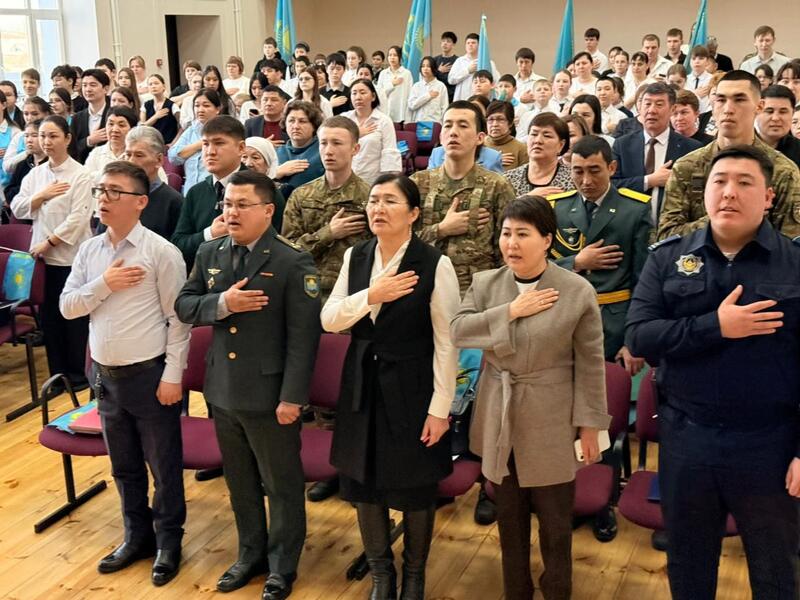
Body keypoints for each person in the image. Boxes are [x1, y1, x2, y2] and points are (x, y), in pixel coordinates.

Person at [626, 144, 800, 600]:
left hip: (769, 444)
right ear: (705, 192)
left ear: (768, 198)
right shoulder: (667, 257)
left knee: (775, 569)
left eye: (744, 183)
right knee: (688, 565)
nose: (729, 192)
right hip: (688, 439)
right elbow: (640, 337)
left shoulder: (795, 262)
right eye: (719, 182)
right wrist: (715, 327)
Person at [450, 195, 610, 600]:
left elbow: (590, 364)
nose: (512, 243)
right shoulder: (486, 284)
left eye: (523, 234)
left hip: (551, 416)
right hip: (499, 412)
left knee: (556, 523)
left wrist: (590, 426)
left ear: (547, 240)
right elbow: (458, 331)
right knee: (509, 518)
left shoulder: (576, 290)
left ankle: (557, 590)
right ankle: (515, 591)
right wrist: (510, 311)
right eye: (506, 234)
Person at [175, 170, 320, 600]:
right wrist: (223, 303)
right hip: (223, 389)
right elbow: (184, 305)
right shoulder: (210, 251)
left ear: (268, 210)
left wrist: (292, 397)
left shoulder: (292, 260)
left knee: (281, 485)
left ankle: (282, 565)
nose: (231, 212)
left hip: (270, 394)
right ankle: (250, 555)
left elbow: (304, 339)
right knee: (239, 482)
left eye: (242, 205)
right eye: (227, 204)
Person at [321, 173, 459, 600]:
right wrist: (371, 295)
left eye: (390, 201)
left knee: (416, 484)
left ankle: (414, 574)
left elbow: (447, 341)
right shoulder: (357, 255)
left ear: (414, 213)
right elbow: (329, 319)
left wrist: (440, 408)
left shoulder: (434, 262)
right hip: (362, 380)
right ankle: (382, 573)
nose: (378, 208)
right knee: (362, 481)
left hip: (413, 383)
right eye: (373, 200)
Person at [59, 161, 190, 586]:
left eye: (114, 191)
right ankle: (137, 536)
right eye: (100, 190)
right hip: (104, 375)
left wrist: (173, 376)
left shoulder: (161, 252)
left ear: (140, 202)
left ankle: (168, 541)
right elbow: (67, 307)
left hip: (150, 376)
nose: (103, 198)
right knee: (123, 465)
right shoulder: (89, 251)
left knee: (163, 466)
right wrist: (104, 284)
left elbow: (179, 320)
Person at [548, 135, 651, 375]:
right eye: (578, 172)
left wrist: (633, 339)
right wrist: (576, 262)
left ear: (611, 168)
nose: (586, 181)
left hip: (613, 324)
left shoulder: (634, 209)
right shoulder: (557, 208)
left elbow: (644, 281)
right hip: (564, 320)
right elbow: (538, 267)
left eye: (594, 171)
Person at [659, 70, 800, 241]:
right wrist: (721, 217)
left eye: (739, 100)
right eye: (721, 100)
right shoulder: (687, 167)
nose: (728, 109)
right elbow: (666, 238)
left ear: (759, 106)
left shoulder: (783, 171)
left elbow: (792, 245)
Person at [10, 115, 93, 390]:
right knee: (50, 319)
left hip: (70, 257)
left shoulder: (81, 174)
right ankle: (58, 375)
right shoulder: (36, 175)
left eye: (53, 136)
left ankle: (78, 375)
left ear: (67, 139)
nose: (46, 141)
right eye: (42, 136)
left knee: (73, 318)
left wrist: (49, 242)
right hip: (42, 261)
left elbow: (78, 219)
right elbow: (18, 207)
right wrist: (42, 195)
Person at [411, 101, 517, 294]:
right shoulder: (417, 183)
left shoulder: (497, 186)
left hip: (476, 292)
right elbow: (399, 242)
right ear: (441, 136)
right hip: (423, 286)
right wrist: (441, 230)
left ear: (480, 138)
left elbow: (506, 248)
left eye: (463, 125)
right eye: (448, 125)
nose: (453, 132)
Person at [281, 115, 371, 303]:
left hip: (351, 293)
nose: (328, 151)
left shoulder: (369, 197)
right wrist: (328, 233)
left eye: (337, 143)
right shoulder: (301, 195)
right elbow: (287, 251)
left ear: (355, 149)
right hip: (304, 290)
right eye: (323, 143)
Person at [612, 83, 702, 225]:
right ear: (639, 108)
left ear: (672, 109)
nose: (652, 110)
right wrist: (649, 181)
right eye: (647, 104)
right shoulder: (622, 145)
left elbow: (698, 195)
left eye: (659, 104)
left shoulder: (691, 148)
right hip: (629, 227)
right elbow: (612, 186)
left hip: (674, 229)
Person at [172, 115, 246, 271]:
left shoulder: (262, 190)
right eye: (205, 144)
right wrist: (209, 234)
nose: (210, 152)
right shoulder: (196, 192)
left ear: (241, 148)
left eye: (219, 143)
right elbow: (178, 245)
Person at [123, 126, 183, 239]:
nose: (131, 161)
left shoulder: (174, 202)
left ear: (159, 160)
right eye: (128, 155)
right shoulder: (116, 195)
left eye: (139, 155)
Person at [343, 78, 401, 185]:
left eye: (363, 92)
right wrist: (356, 133)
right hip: (345, 179)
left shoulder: (383, 121)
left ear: (373, 96)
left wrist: (388, 183)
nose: (358, 97)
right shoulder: (344, 119)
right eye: (354, 93)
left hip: (372, 180)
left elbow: (390, 152)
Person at [505, 112, 573, 198]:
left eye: (547, 136)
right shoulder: (508, 179)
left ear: (561, 145)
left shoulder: (572, 179)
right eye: (534, 134)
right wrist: (527, 198)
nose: (538, 141)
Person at [168, 88, 222, 195]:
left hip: (213, 192)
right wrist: (200, 144)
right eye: (197, 106)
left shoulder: (225, 130)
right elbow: (173, 157)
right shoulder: (191, 130)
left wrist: (187, 151)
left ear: (218, 109)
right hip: (190, 191)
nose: (200, 110)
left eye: (206, 105)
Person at [274, 100, 324, 198]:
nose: (296, 126)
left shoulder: (323, 150)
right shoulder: (276, 153)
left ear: (314, 125)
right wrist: (276, 173)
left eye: (302, 121)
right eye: (291, 121)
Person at [3, 95, 50, 178]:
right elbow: (6, 167)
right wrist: (27, 152)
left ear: (46, 114)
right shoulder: (19, 136)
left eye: (35, 114)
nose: (29, 118)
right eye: (26, 114)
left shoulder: (51, 136)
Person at [85, 106, 138, 180]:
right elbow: (86, 180)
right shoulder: (96, 153)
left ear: (132, 129)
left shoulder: (136, 155)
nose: (115, 129)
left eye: (121, 125)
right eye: (111, 124)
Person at [70, 68, 111, 163]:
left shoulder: (114, 114)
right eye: (84, 85)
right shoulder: (77, 118)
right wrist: (88, 141)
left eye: (93, 85)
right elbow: (71, 149)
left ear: (105, 89)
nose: (88, 89)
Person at [5, 118, 46, 207]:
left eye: (34, 135)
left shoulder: (52, 163)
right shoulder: (23, 164)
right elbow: (9, 194)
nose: (29, 140)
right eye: (26, 136)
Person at [756, 84, 800, 168]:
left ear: (793, 113)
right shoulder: (742, 146)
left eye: (783, 112)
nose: (775, 118)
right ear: (757, 111)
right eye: (769, 111)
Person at [449, 33, 499, 102]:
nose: (470, 45)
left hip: (483, 100)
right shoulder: (459, 61)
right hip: (463, 100)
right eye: (468, 43)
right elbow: (451, 80)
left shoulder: (488, 62)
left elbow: (496, 82)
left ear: (479, 45)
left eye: (473, 43)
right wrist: (467, 71)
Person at [484, 100, 527, 171]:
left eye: (500, 119)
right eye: (490, 120)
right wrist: (492, 160)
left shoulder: (521, 149)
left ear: (510, 123)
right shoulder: (478, 145)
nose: (494, 124)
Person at [377, 45, 413, 123]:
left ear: (400, 57)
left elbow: (410, 95)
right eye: (390, 55)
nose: (392, 57)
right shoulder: (383, 73)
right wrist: (392, 84)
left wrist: (408, 117)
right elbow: (379, 94)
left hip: (401, 114)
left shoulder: (406, 73)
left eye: (395, 55)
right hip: (386, 112)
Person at [141, 74, 180, 145]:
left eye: (156, 83)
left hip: (168, 144)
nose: (153, 86)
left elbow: (182, 126)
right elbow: (141, 127)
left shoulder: (172, 105)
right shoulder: (145, 105)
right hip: (150, 144)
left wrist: (173, 143)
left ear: (163, 86)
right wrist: (155, 117)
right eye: (150, 84)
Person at [408, 56, 448, 123]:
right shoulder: (416, 86)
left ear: (434, 68)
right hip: (419, 122)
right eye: (423, 66)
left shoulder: (441, 86)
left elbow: (444, 108)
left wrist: (442, 124)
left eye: (428, 66)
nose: (425, 69)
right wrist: (428, 96)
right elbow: (412, 105)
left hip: (436, 123)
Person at [435, 31, 458, 102]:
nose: (445, 43)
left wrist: (439, 74)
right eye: (443, 41)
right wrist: (438, 71)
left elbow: (455, 80)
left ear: (453, 44)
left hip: (452, 96)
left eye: (448, 41)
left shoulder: (458, 61)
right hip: (437, 95)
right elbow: (430, 78)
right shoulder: (434, 60)